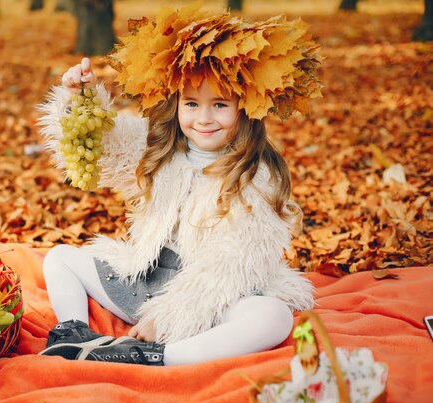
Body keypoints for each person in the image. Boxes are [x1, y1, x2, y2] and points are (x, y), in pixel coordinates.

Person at [36, 4, 322, 366]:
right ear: (176, 105)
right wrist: (81, 99)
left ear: (246, 108)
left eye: (219, 104)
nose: (203, 118)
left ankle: (159, 355)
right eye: (191, 103)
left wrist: (168, 317)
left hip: (214, 295)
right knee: (60, 258)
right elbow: (105, 150)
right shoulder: (161, 149)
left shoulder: (254, 177)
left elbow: (229, 266)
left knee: (272, 317)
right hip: (148, 279)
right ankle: (72, 333)